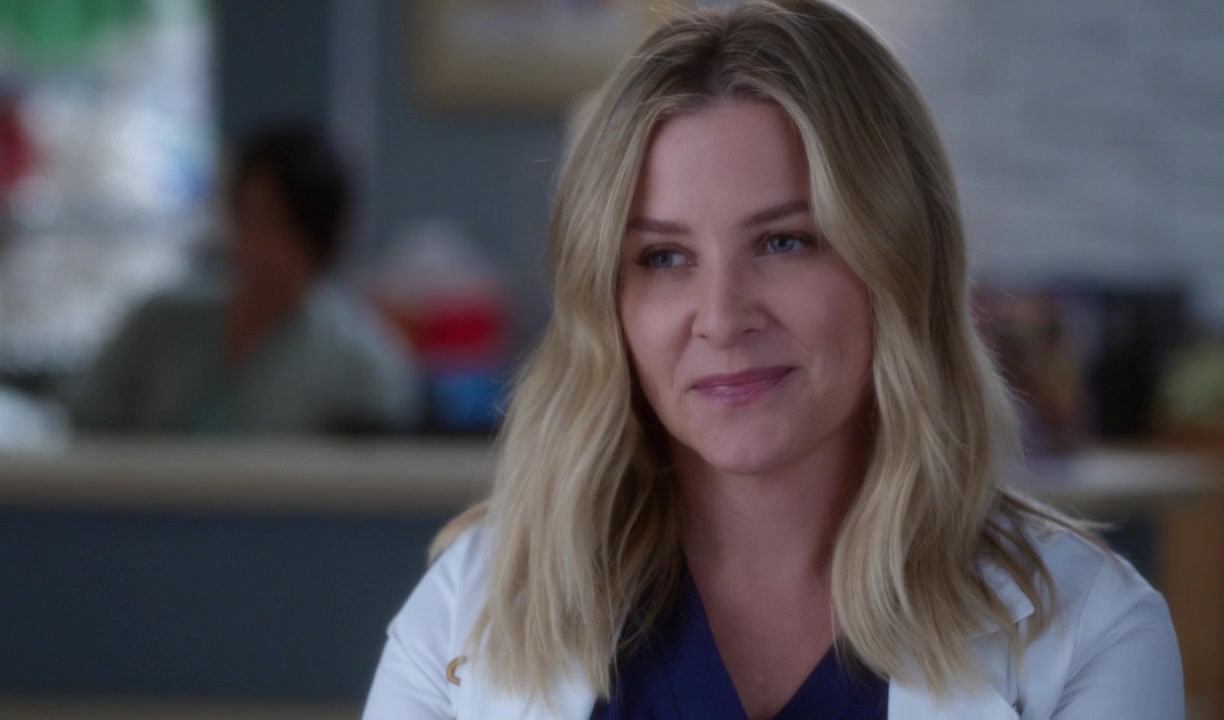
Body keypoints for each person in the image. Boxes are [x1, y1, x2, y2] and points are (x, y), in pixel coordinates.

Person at [364, 2, 1183, 718]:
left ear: (899, 264)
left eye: (784, 242)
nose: (722, 319)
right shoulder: (462, 616)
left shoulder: (1095, 635)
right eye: (663, 258)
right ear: (605, 301)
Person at [68, 123, 421, 434]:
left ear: (320, 239)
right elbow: (83, 418)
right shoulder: (159, 324)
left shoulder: (359, 365)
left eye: (282, 227)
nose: (260, 246)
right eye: (249, 219)